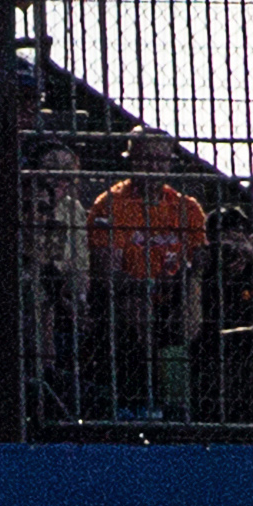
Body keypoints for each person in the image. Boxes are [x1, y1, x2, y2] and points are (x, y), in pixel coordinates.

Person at [84, 129, 210, 417]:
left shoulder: (186, 208)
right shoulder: (111, 205)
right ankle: (151, 400)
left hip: (176, 295)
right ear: (131, 160)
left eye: (160, 159)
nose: (153, 166)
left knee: (197, 295)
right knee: (135, 303)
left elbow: (199, 262)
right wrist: (147, 285)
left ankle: (185, 404)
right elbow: (106, 272)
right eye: (145, 158)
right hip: (127, 297)